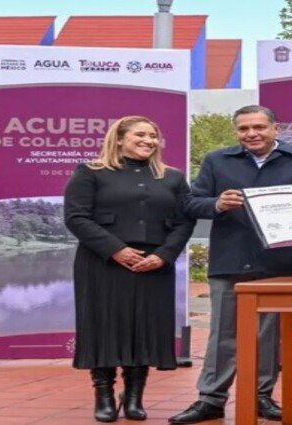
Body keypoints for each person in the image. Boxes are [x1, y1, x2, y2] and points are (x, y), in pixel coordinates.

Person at [169, 105, 292, 424]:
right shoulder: (217, 160)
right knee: (223, 332)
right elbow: (191, 202)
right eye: (244, 129)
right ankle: (211, 399)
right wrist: (217, 204)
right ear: (237, 132)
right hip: (232, 260)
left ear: (276, 128)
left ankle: (262, 396)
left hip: (284, 261)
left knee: (270, 335)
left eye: (259, 127)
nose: (251, 134)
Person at [64, 116, 196, 422]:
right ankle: (104, 396)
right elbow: (76, 217)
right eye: (141, 134)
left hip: (154, 265)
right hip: (102, 263)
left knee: (145, 329)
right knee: (104, 326)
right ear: (120, 138)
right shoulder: (90, 173)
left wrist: (165, 255)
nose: (149, 140)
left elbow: (184, 221)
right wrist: (116, 250)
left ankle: (134, 397)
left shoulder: (173, 178)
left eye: (154, 136)